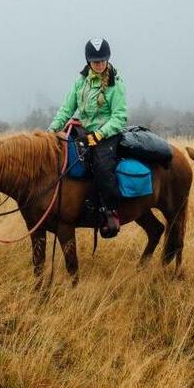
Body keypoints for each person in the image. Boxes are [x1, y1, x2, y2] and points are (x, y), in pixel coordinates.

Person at [48, 38, 127, 238]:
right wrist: (51, 131)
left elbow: (119, 117)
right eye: (95, 61)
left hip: (107, 134)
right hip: (84, 130)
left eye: (102, 60)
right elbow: (66, 109)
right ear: (88, 61)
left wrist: (100, 135)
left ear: (107, 59)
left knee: (101, 165)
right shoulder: (80, 81)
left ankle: (110, 211)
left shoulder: (115, 83)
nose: (99, 64)